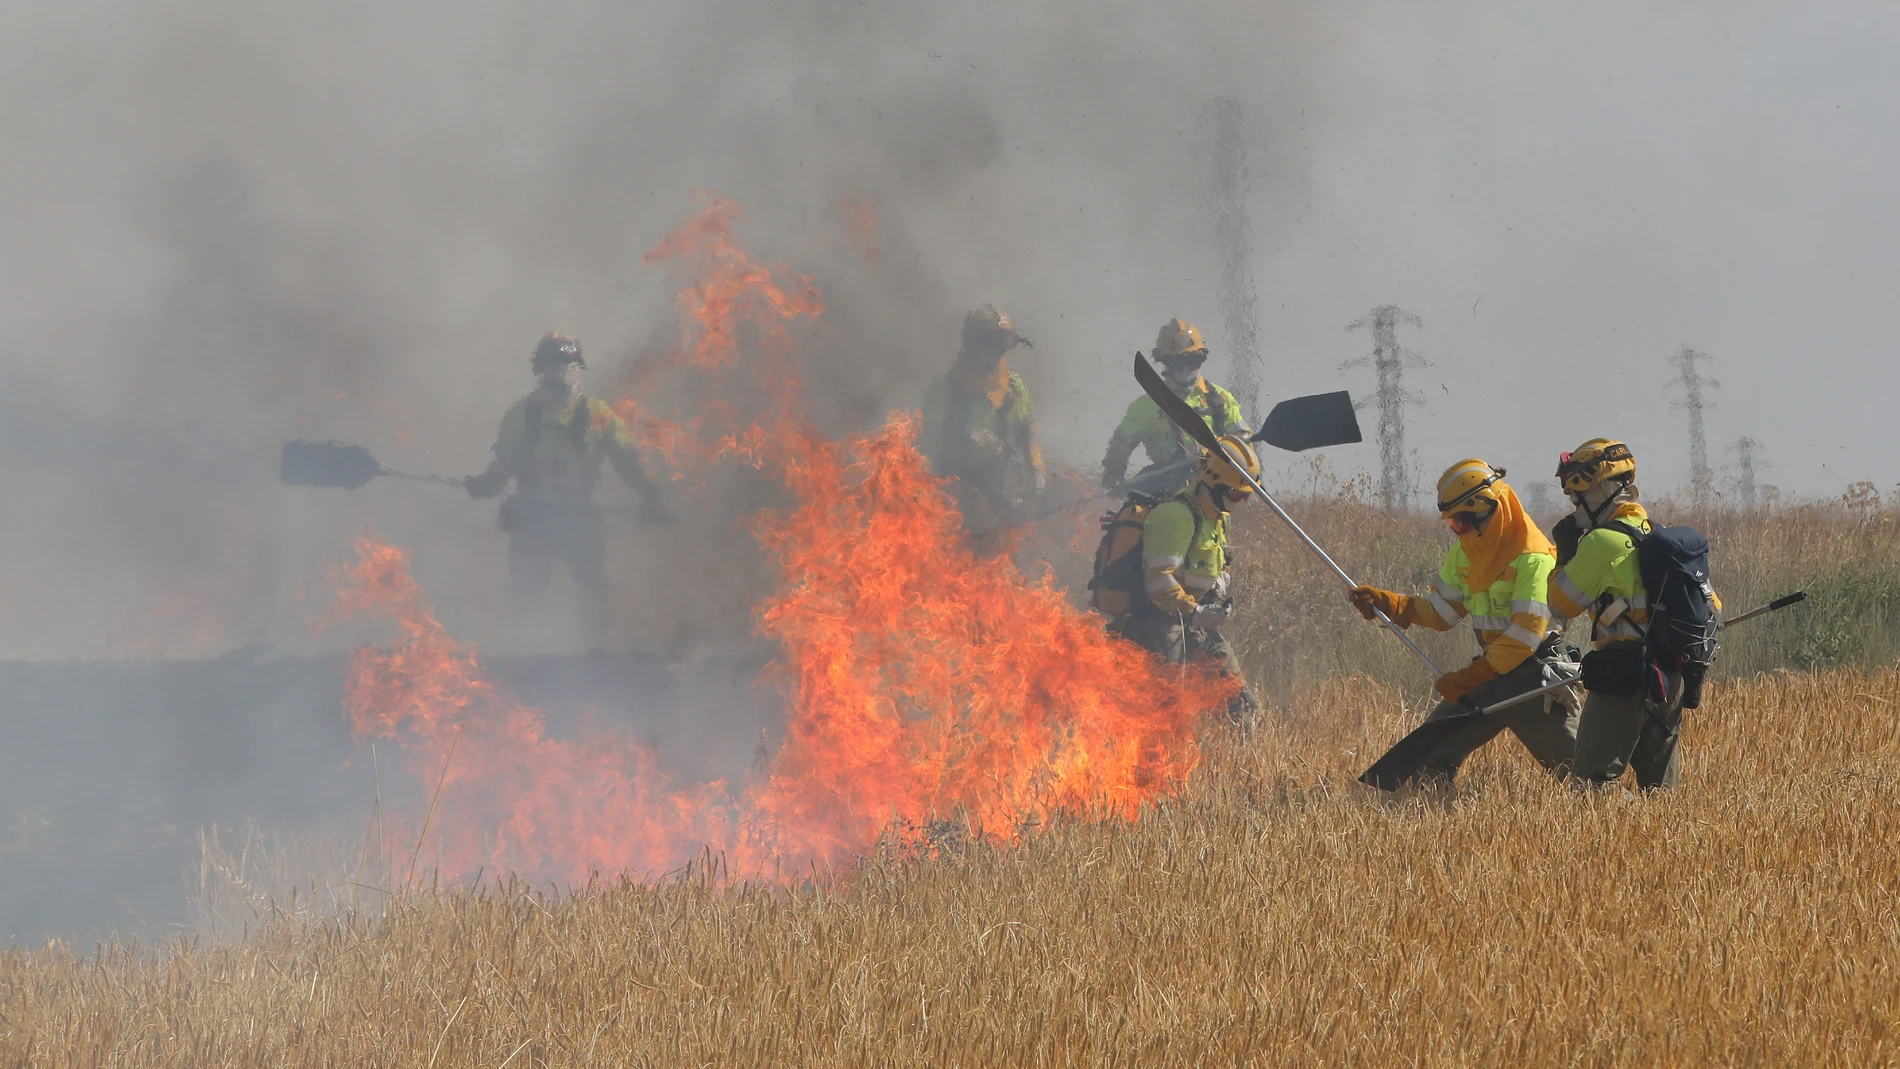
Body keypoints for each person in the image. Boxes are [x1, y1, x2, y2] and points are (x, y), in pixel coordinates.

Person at [1347, 459, 1578, 782]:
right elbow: (1442, 613)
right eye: (1453, 524)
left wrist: (1471, 677)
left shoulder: (1533, 558)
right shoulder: (1466, 552)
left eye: (1462, 522)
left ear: (1488, 510)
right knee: (1425, 756)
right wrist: (1394, 605)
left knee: (1583, 775)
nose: (1458, 531)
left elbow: (1525, 635)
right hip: (1490, 674)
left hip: (1532, 677)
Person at [465, 332, 672, 637]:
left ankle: (598, 657)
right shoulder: (520, 415)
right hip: (532, 519)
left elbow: (627, 462)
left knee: (595, 591)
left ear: (579, 368)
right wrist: (486, 484)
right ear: (540, 370)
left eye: (569, 363)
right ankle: (521, 654)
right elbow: (504, 465)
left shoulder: (598, 413)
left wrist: (650, 497)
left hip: (579, 517)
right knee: (526, 593)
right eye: (554, 363)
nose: (562, 370)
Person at [1546, 438, 1691, 790]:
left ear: (1602, 491)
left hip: (1622, 675)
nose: (1573, 504)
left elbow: (1561, 605)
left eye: (1577, 494)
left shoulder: (1601, 542)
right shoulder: (1657, 535)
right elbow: (1710, 606)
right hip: (1670, 678)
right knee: (1661, 796)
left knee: (1590, 787)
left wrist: (1565, 556)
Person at [1112, 433, 1262, 724]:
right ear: (1213, 485)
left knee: (1242, 705)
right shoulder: (1176, 516)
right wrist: (1196, 611)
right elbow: (1158, 582)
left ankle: (1241, 762)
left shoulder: (1218, 514)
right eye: (1236, 493)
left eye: (1247, 494)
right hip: (1160, 621)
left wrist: (1220, 582)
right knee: (1171, 708)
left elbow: (1217, 562)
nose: (1242, 500)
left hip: (1197, 619)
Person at [921, 305, 1045, 538]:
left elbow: (1028, 434)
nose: (995, 353)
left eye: (1000, 346)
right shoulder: (945, 389)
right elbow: (927, 445)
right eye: (990, 345)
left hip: (998, 494)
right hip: (951, 495)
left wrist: (1038, 472)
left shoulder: (1013, 388)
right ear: (973, 344)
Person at [1101, 319, 1246, 491]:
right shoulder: (1146, 407)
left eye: (1192, 360)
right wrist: (1114, 474)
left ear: (1202, 358)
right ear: (1164, 363)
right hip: (1164, 491)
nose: (1185, 369)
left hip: (1213, 490)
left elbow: (1243, 441)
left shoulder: (1222, 400)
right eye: (1177, 363)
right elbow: (1122, 442)